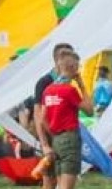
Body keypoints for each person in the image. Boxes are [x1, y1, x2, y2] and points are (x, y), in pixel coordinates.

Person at [39, 49, 93, 188]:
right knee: (67, 184)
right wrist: (81, 84)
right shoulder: (69, 90)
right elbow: (89, 110)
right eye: (78, 66)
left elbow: (42, 118)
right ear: (73, 68)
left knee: (59, 181)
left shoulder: (48, 90)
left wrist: (53, 132)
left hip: (56, 139)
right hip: (70, 138)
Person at [33, 42, 76, 189]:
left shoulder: (69, 82)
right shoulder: (44, 82)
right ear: (58, 60)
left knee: (66, 178)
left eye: (72, 57)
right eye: (67, 57)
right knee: (50, 180)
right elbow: (38, 115)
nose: (71, 61)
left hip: (67, 139)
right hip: (51, 139)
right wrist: (45, 145)